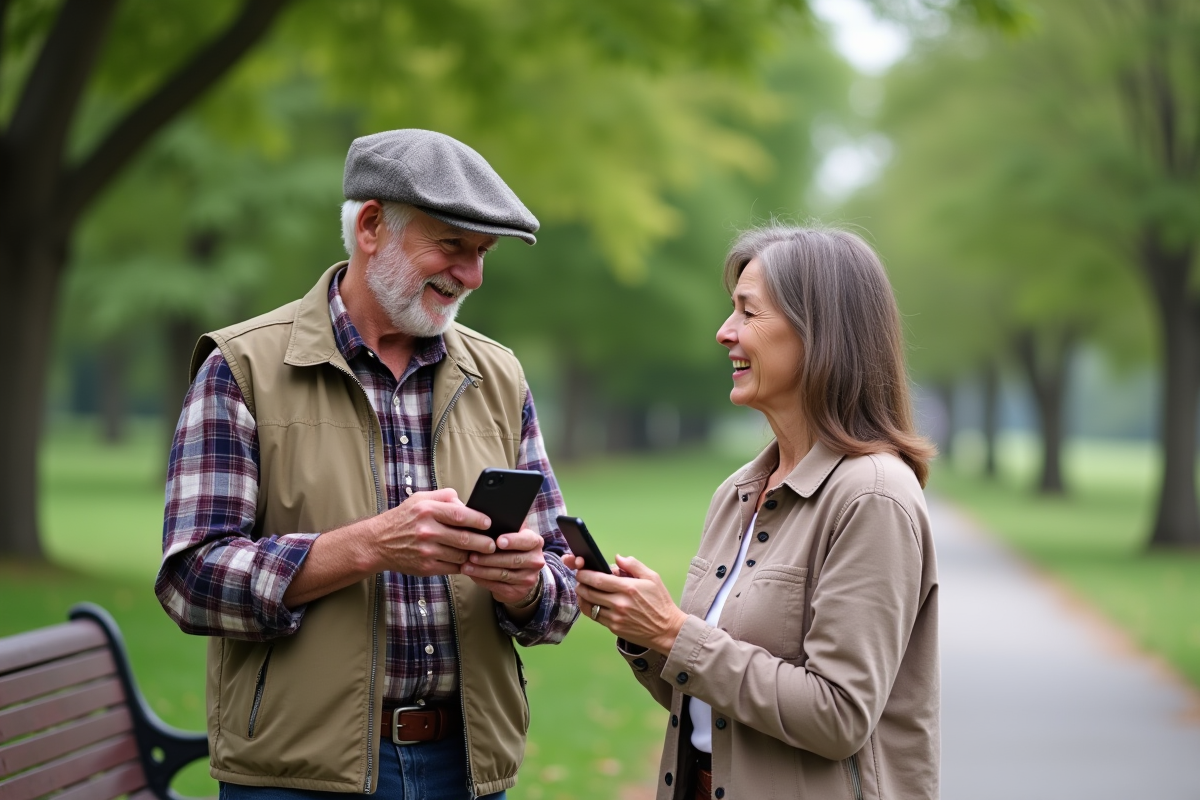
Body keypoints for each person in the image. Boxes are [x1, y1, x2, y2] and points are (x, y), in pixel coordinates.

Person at [156, 129, 580, 800]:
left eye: (482, 253)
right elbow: (190, 580)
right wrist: (367, 546)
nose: (471, 275)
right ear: (372, 226)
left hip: (467, 769)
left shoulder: (500, 376)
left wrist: (525, 584)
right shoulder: (240, 370)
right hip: (296, 777)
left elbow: (562, 589)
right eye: (452, 246)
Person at [572, 225, 940, 800]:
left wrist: (675, 632)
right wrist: (646, 635)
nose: (724, 333)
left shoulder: (872, 496)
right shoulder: (739, 491)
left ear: (820, 335)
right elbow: (711, 702)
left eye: (749, 313)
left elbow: (838, 715)